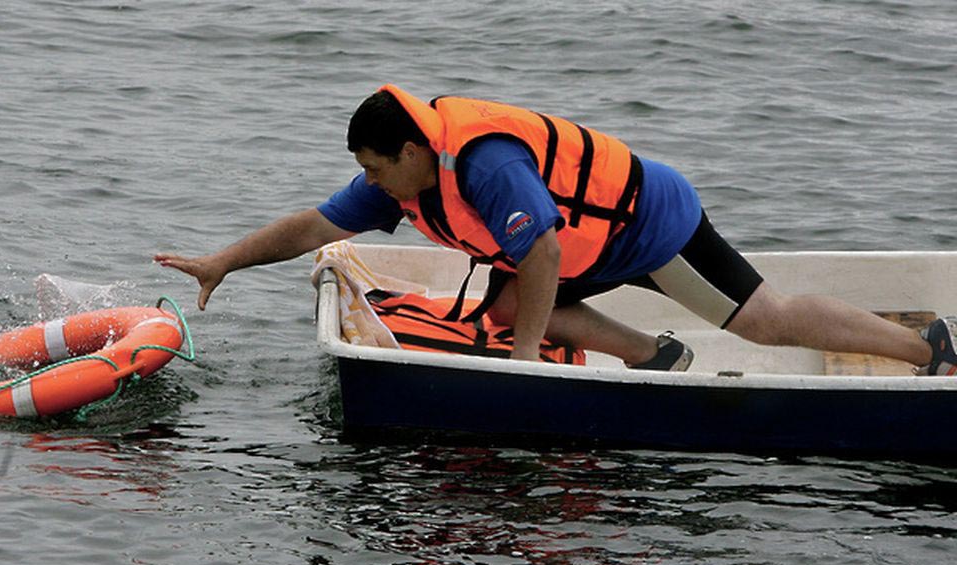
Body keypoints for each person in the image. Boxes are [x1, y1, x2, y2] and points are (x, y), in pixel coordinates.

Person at [156, 84, 956, 375]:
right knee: (508, 310)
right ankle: (657, 357)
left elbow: (538, 245)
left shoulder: (485, 165)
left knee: (766, 322)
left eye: (374, 169)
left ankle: (933, 351)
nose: (367, 186)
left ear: (407, 150)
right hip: (588, 242)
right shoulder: (403, 179)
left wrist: (530, 363)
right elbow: (311, 225)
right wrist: (222, 262)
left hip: (648, 229)